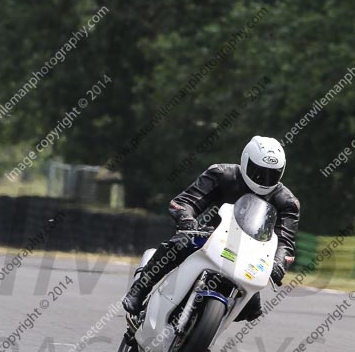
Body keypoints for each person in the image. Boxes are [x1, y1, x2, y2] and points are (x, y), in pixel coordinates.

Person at [122, 136, 300, 322]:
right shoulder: (222, 174)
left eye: (272, 174)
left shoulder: (287, 202)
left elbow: (286, 242)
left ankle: (203, 326)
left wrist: (279, 263)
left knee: (251, 310)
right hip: (208, 237)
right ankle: (140, 289)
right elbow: (184, 202)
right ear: (246, 160)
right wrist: (187, 219)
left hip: (249, 255)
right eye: (259, 172)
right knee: (180, 243)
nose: (264, 179)